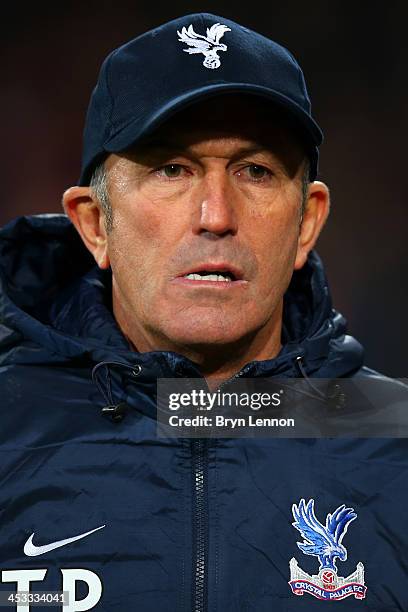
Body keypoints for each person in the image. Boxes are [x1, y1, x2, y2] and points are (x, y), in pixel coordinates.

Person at [0, 12, 407, 612]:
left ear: (307, 223)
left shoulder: (394, 437)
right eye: (171, 169)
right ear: (94, 224)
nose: (216, 214)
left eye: (256, 171)